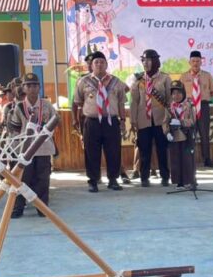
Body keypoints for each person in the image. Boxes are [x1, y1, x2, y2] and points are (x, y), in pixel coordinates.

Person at [73, 52, 127, 192]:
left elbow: (121, 103)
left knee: (113, 151)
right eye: (96, 62)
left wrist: (122, 120)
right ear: (91, 65)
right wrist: (79, 120)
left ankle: (113, 180)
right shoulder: (83, 81)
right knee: (91, 152)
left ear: (106, 65)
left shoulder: (116, 81)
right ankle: (93, 181)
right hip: (92, 122)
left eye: (102, 62)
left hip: (111, 121)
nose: (99, 64)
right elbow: (78, 102)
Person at [10, 73, 57, 216]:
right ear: (23, 88)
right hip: (25, 150)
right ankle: (18, 208)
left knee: (42, 179)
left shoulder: (47, 105)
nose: (32, 88)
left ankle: (42, 208)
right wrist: (16, 150)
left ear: (39, 87)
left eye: (35, 85)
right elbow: (15, 129)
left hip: (43, 148)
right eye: (28, 86)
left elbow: (55, 122)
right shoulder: (19, 107)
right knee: (22, 179)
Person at [129, 49, 172, 187]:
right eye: (143, 60)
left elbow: (170, 100)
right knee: (144, 150)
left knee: (162, 150)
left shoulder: (165, 78)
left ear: (155, 61)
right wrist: (133, 120)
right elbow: (134, 101)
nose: (145, 63)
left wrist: (169, 119)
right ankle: (144, 177)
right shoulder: (138, 79)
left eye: (148, 60)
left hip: (161, 120)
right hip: (143, 120)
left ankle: (165, 177)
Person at [184, 49, 213, 168]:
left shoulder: (207, 75)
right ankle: (189, 159)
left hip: (203, 107)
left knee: (204, 134)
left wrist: (203, 97)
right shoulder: (184, 76)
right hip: (189, 107)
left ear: (201, 62)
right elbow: (180, 93)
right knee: (189, 134)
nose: (195, 63)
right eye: (193, 61)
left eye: (198, 61)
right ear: (189, 62)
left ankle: (207, 159)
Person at [163, 80, 197, 188]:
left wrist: (181, 122)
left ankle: (189, 180)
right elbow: (165, 122)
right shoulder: (169, 107)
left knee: (187, 160)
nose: (176, 96)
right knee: (175, 160)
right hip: (174, 137)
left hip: (186, 136)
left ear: (183, 93)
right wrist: (167, 133)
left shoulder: (189, 105)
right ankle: (179, 181)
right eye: (173, 93)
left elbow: (192, 120)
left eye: (179, 93)